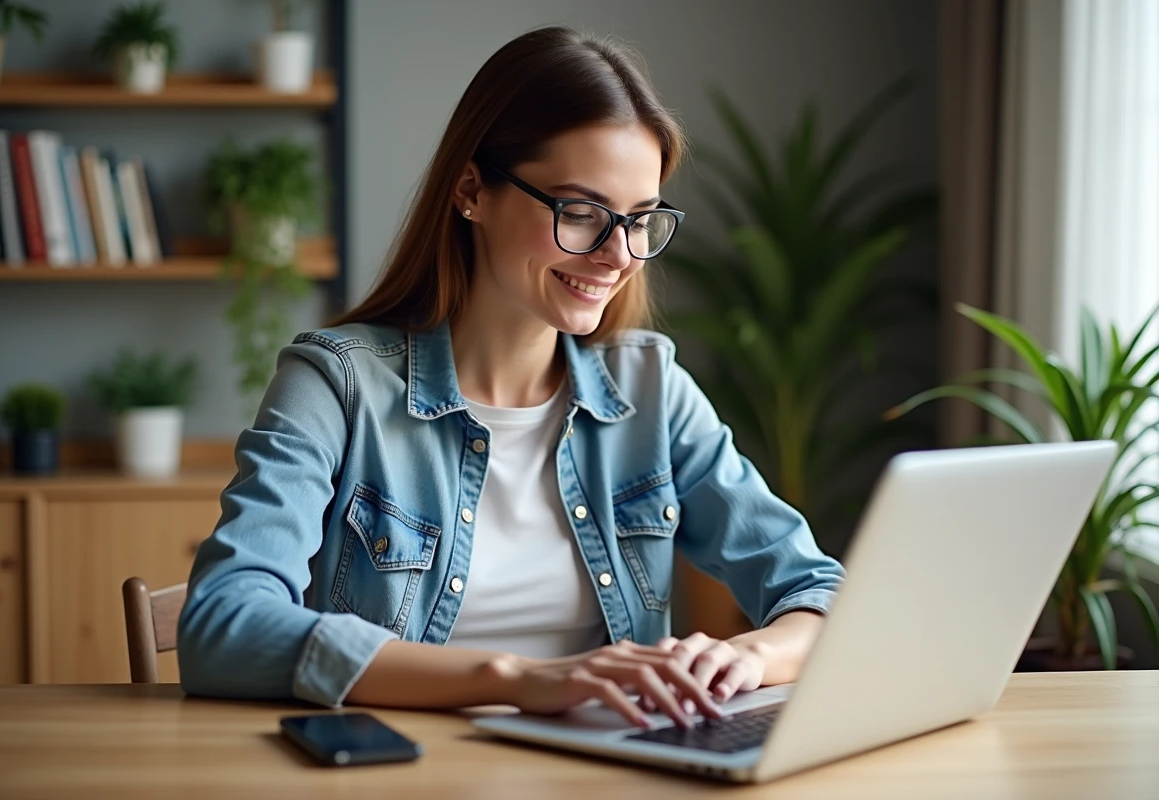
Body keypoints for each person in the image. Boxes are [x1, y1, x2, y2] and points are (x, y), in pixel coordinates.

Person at [178, 26, 844, 731]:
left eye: (641, 220)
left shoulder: (652, 390)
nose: (618, 255)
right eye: (581, 213)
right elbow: (224, 624)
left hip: (608, 778)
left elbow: (817, 590)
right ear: (472, 190)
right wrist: (515, 678)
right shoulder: (335, 386)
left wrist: (749, 658)